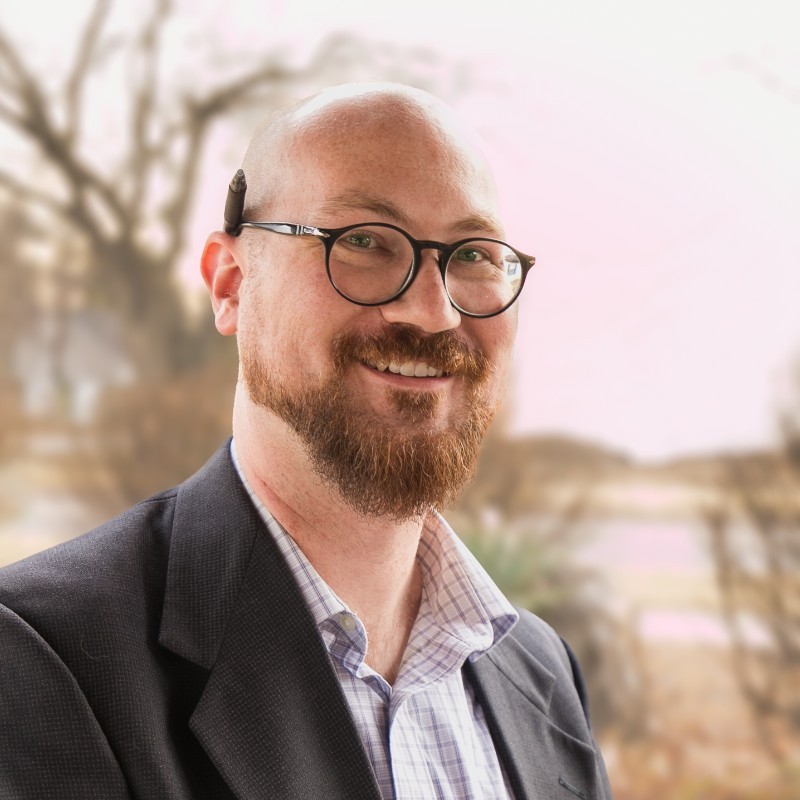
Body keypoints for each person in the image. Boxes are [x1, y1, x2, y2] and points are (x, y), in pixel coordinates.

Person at [0, 83, 612, 799]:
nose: (433, 311)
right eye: (364, 242)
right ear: (231, 284)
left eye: (473, 254)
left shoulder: (542, 673)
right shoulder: (43, 658)